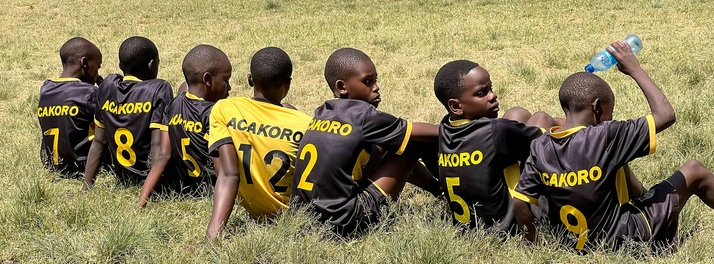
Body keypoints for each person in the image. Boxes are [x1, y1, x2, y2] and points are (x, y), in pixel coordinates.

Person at [513, 39, 714, 252]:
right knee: (694, 170)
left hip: (572, 241)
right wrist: (635, 69)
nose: (611, 118)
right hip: (626, 240)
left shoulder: (541, 146)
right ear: (598, 108)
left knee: (615, 161)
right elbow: (665, 115)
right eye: (610, 111)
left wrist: (531, 243)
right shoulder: (606, 135)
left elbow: (520, 203)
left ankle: (643, 199)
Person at [291, 48, 440, 236]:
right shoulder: (362, 115)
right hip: (345, 223)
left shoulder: (323, 112)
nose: (376, 87)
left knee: (386, 146)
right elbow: (423, 133)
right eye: (368, 82)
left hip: (305, 218)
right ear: (342, 87)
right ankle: (452, 195)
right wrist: (464, 129)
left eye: (376, 80)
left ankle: (439, 190)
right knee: (415, 142)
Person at [433, 60, 555, 235]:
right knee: (542, 118)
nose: (493, 96)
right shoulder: (496, 131)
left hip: (468, 227)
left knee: (517, 113)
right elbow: (549, 142)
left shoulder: (445, 127)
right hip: (511, 226)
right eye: (481, 93)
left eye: (491, 88)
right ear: (456, 106)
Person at [206, 47, 311, 240]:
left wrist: (212, 236)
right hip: (293, 214)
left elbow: (226, 174)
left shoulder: (225, 109)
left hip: (250, 207)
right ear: (288, 84)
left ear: (249, 80)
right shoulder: (306, 124)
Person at [138, 45, 232, 207]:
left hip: (181, 187)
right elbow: (222, 171)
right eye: (225, 80)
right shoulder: (215, 113)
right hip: (208, 189)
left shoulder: (173, 105)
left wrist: (141, 201)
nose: (229, 87)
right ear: (207, 80)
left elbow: (163, 156)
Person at [82, 36, 174, 190]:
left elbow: (99, 142)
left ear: (120, 65)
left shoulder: (107, 86)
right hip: (148, 178)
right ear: (152, 64)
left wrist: (86, 187)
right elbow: (157, 145)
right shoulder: (158, 89)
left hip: (122, 176)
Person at [37, 37, 102, 178]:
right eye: (97, 67)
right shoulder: (88, 93)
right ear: (85, 63)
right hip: (81, 167)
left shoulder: (46, 89)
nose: (97, 73)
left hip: (52, 166)